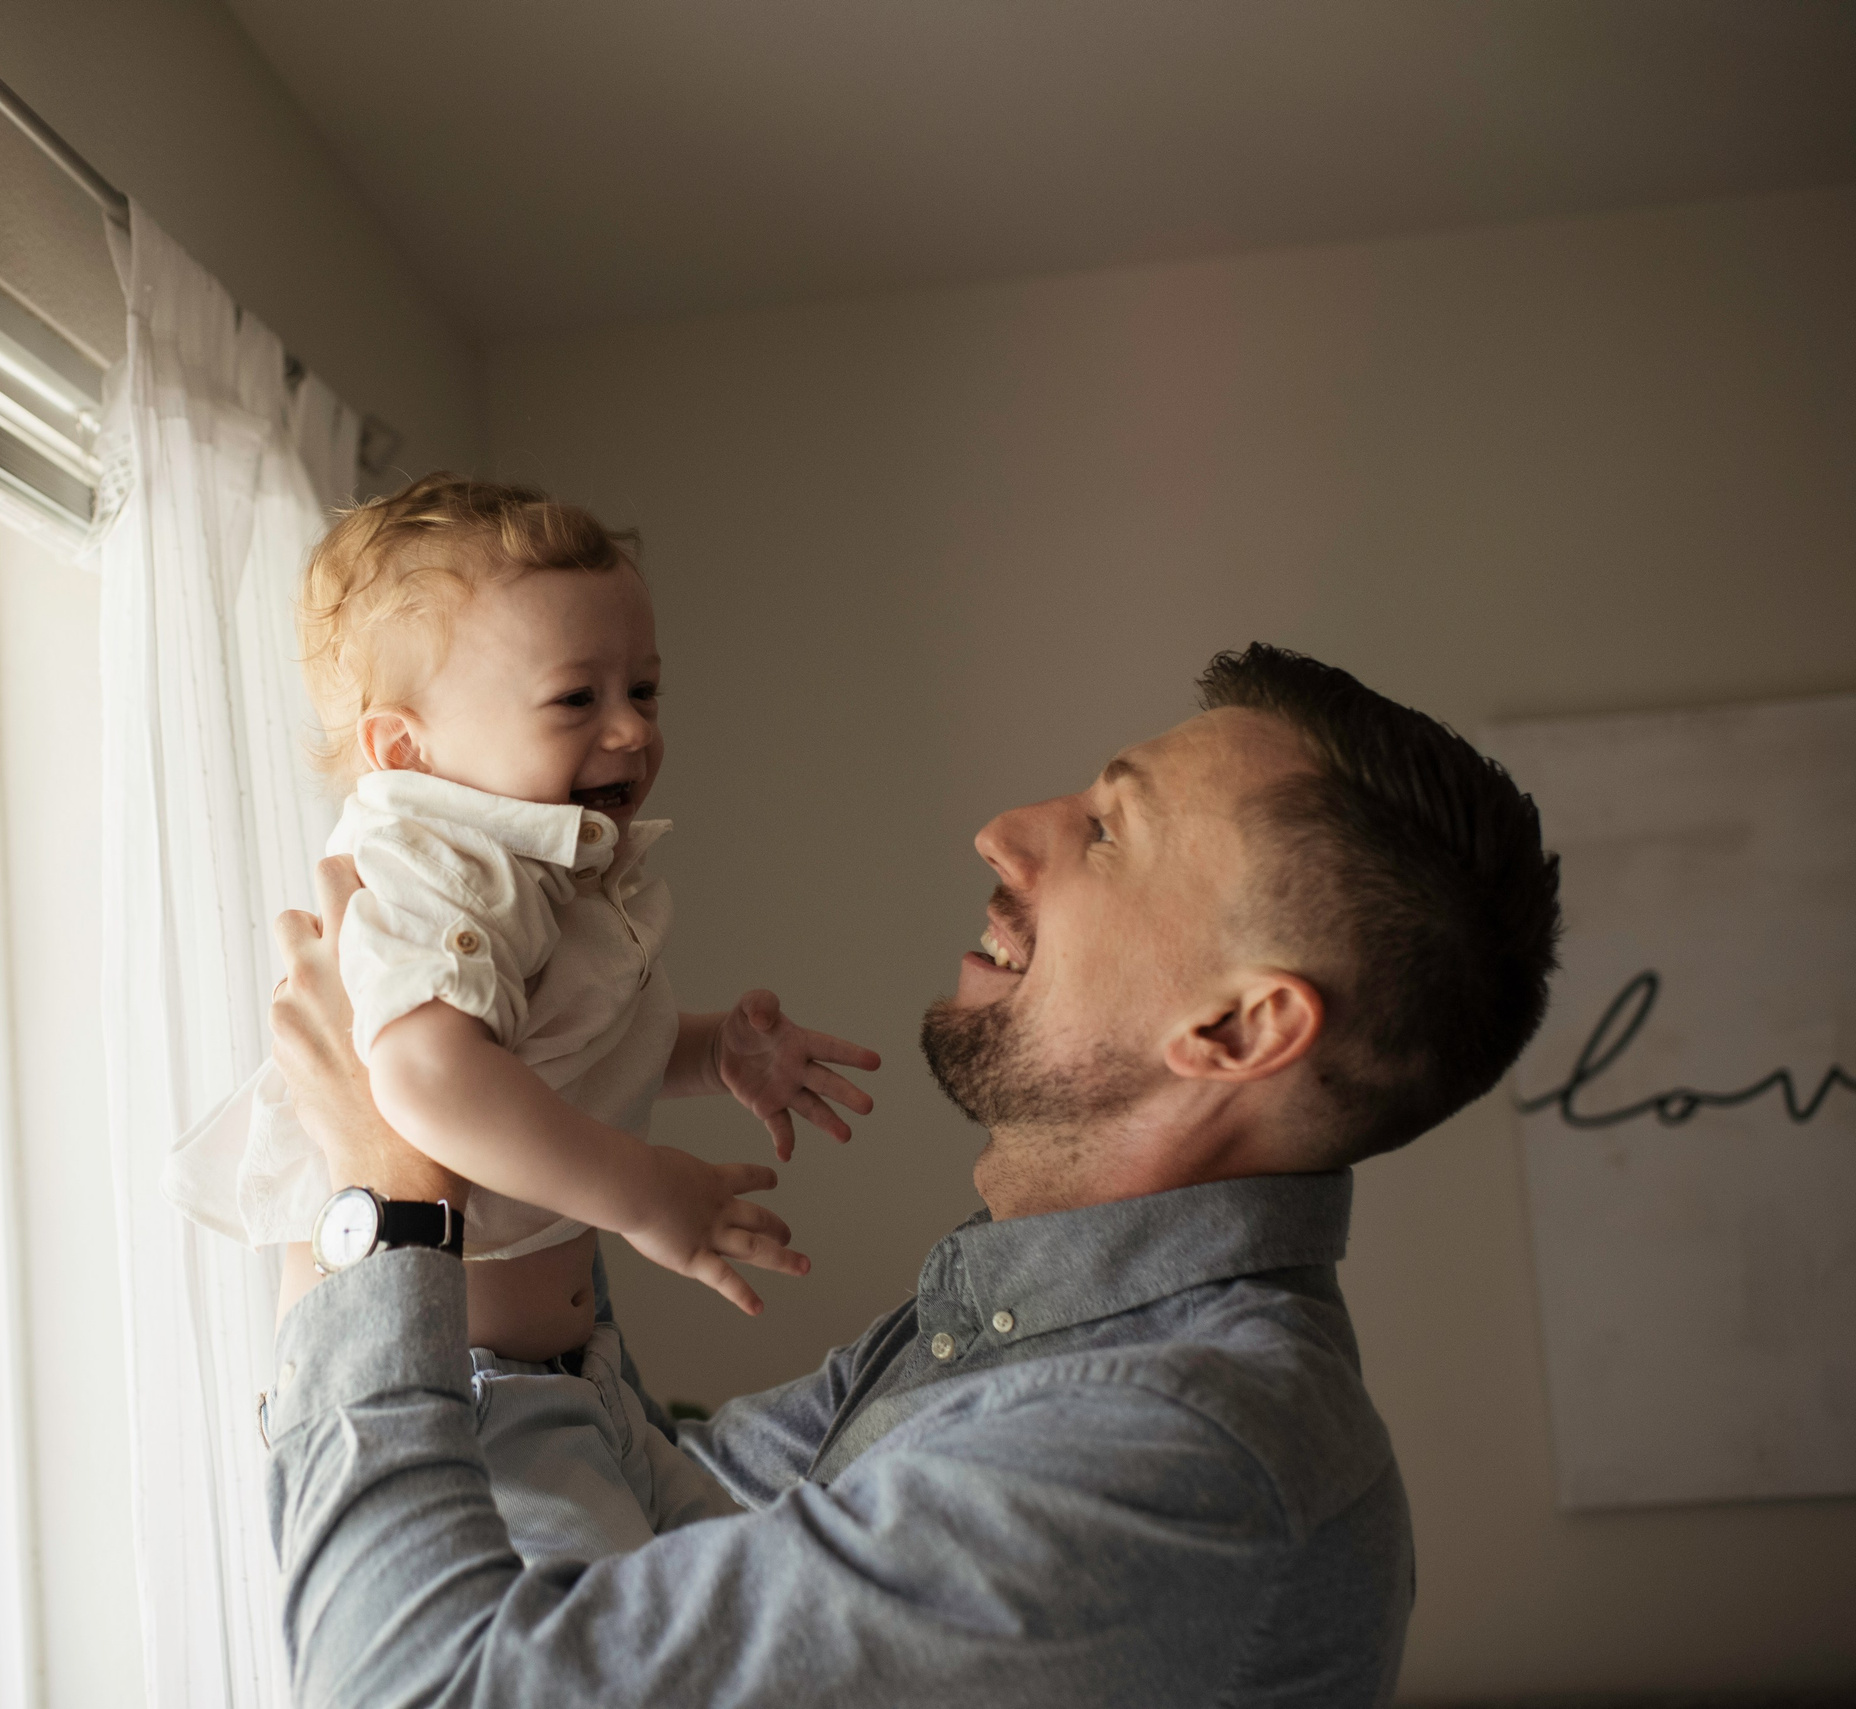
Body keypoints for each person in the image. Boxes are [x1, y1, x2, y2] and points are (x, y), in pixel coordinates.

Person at [257, 643, 1562, 1708]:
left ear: (1235, 1027)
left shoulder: (1171, 1457)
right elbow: (650, 1523)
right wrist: (514, 1071)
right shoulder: (1011, 1334)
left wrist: (386, 1199)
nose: (1005, 833)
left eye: (1108, 831)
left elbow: (414, 1687)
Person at [165, 474, 878, 1566]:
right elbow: (426, 1079)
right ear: (404, 749)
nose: (631, 728)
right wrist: (644, 1192)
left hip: (571, 1380)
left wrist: (710, 1050)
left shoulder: (542, 866)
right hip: (459, 1401)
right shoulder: (438, 867)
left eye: (643, 688)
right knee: (637, 1627)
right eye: (575, 699)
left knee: (746, 1585)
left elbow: (550, 1056)